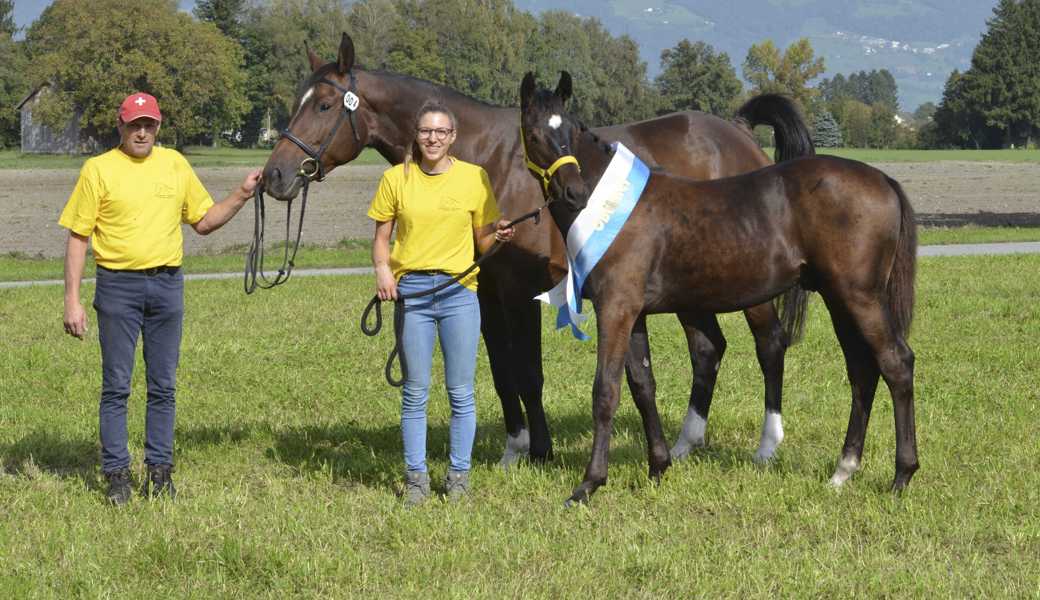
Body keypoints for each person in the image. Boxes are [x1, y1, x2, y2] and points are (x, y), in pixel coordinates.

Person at [59, 92, 262, 505]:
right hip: (117, 287)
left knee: (163, 385)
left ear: (158, 126)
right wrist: (72, 300)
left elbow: (204, 221)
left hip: (167, 286)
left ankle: (159, 471)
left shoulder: (175, 164)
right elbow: (79, 237)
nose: (142, 131)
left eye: (148, 124)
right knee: (116, 386)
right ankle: (117, 475)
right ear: (120, 126)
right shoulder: (98, 169)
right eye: (134, 124)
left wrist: (241, 194)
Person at [367, 101, 514, 505]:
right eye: (426, 131)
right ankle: (416, 478)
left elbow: (481, 240)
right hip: (412, 293)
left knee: (461, 392)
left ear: (452, 138)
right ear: (417, 135)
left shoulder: (474, 178)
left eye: (441, 132)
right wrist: (383, 270)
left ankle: (458, 476)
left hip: (459, 294)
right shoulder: (396, 178)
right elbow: (382, 238)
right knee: (415, 392)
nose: (433, 138)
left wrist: (495, 236)